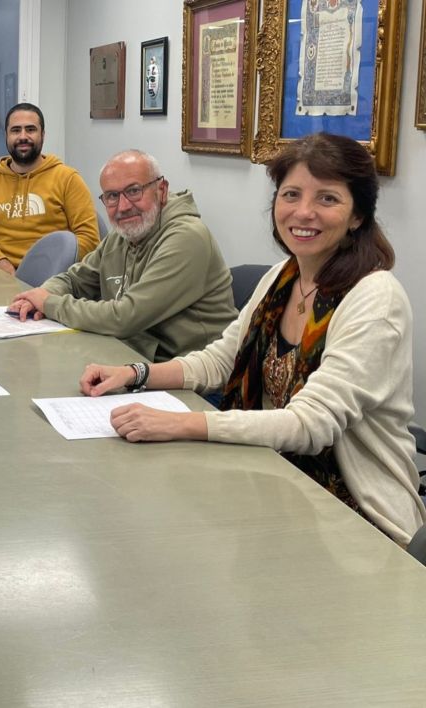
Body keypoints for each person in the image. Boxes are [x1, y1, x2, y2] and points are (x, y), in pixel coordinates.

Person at [79, 133, 425, 545]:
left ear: (357, 215)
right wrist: (133, 374)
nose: (304, 212)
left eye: (328, 199)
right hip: (275, 481)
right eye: (291, 194)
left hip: (357, 519)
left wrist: (179, 423)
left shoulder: (374, 297)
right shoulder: (283, 277)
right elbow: (220, 360)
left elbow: (309, 425)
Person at [8, 149, 236, 362]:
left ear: (162, 190)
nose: (123, 206)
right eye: (112, 196)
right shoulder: (126, 233)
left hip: (195, 380)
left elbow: (125, 317)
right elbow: (75, 279)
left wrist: (49, 303)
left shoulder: (187, 237)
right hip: (133, 359)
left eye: (134, 191)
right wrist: (41, 295)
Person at [0, 102, 101, 274]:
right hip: (3, 277)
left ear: (43, 135)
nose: (23, 136)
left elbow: (90, 240)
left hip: (53, 280)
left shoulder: (68, 179)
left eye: (31, 129)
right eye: (16, 130)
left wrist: (49, 267)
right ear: (6, 135)